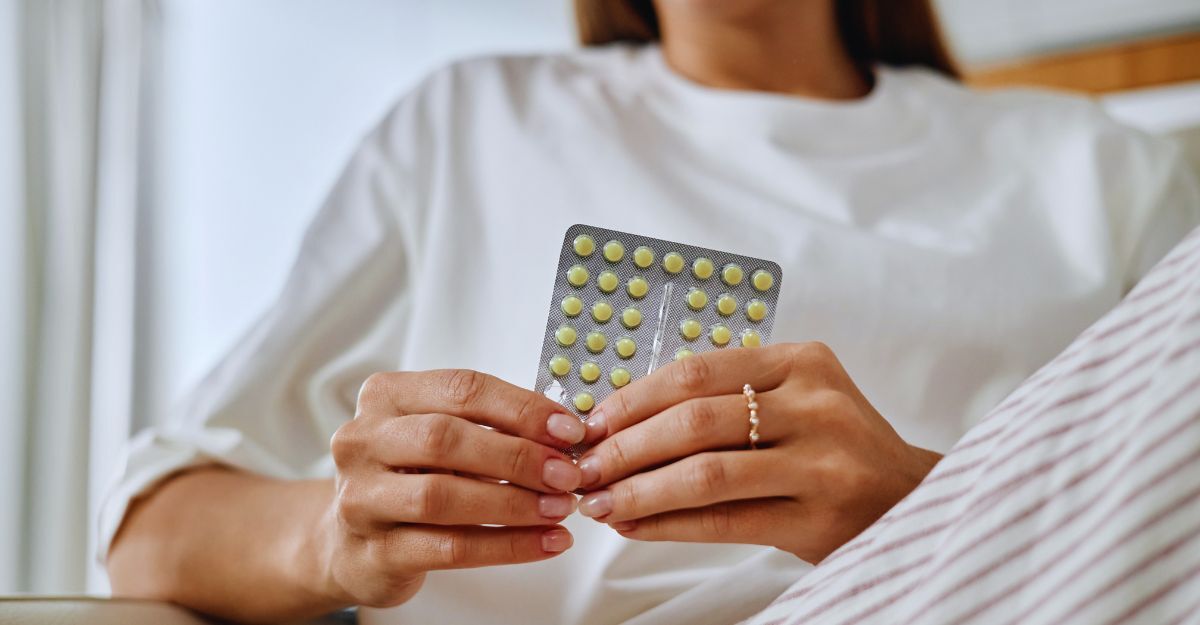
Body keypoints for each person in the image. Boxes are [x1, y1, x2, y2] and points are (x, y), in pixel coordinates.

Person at [102, 1, 1200, 624]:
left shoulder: (1101, 175)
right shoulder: (470, 124)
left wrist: (923, 511)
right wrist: (332, 537)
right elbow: (150, 530)